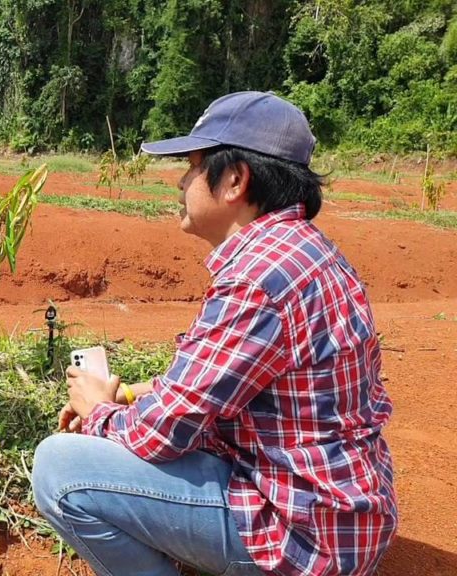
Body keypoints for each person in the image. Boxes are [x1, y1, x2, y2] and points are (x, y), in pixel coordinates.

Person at [32, 92, 397, 575]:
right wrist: (129, 397)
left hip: (305, 540)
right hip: (343, 515)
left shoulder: (257, 279)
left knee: (60, 469)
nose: (181, 181)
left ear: (234, 180)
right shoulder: (303, 252)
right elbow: (213, 390)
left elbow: (162, 434)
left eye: (192, 166)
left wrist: (98, 413)